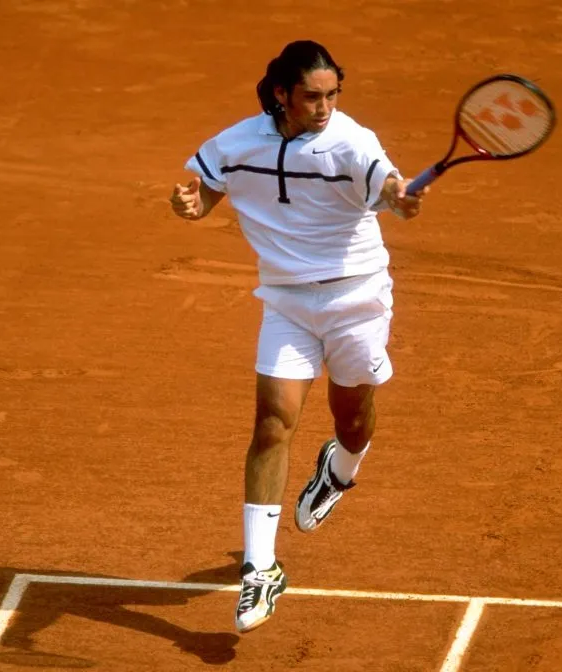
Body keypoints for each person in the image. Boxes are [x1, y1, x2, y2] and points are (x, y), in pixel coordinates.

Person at [169, 40, 426, 633]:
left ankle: (340, 468)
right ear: (281, 94)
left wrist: (400, 198)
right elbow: (206, 190)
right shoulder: (237, 143)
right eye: (312, 95)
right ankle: (261, 568)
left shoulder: (351, 142)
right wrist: (191, 203)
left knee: (352, 418)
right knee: (271, 421)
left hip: (355, 300)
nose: (325, 107)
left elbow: (386, 186)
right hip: (285, 301)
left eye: (333, 94)